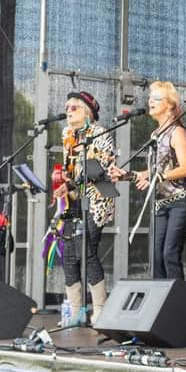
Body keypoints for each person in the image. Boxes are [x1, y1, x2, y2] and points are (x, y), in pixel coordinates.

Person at [109, 81, 186, 280]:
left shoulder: (178, 132)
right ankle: (160, 298)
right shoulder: (156, 134)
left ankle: (177, 298)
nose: (150, 101)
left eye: (156, 98)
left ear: (170, 105)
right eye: (150, 98)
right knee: (156, 257)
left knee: (169, 255)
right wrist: (127, 175)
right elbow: (155, 171)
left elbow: (185, 168)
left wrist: (158, 177)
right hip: (160, 202)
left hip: (181, 201)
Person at [53, 91, 115, 326]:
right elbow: (70, 171)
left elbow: (101, 167)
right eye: (66, 108)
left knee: (86, 250)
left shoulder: (100, 133)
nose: (68, 111)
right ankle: (75, 312)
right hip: (75, 198)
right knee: (69, 253)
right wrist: (64, 183)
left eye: (74, 108)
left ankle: (100, 308)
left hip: (97, 197)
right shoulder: (67, 134)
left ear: (88, 112)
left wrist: (76, 172)